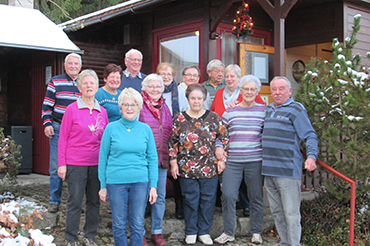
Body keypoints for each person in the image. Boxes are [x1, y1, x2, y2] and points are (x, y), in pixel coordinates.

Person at [169, 84, 229, 245]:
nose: (196, 101)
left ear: (204, 99)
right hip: (186, 168)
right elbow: (173, 143)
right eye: (193, 98)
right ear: (188, 99)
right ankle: (191, 231)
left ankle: (204, 231)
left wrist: (221, 155)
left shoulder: (214, 117)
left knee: (208, 200)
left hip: (209, 167)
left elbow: (224, 138)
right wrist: (173, 163)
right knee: (190, 199)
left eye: (199, 98)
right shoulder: (179, 118)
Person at [262, 76, 318, 246]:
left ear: (290, 91)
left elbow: (310, 135)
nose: (277, 92)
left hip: (287, 171)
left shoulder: (296, 109)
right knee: (277, 212)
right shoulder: (268, 109)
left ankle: (294, 243)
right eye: (274, 89)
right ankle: (285, 242)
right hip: (269, 171)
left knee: (291, 214)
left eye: (281, 89)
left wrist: (311, 156)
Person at [98, 88, 158, 246]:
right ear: (120, 107)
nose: (129, 108)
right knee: (118, 224)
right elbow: (103, 158)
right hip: (116, 181)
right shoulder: (111, 128)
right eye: (126, 104)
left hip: (140, 181)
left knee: (137, 224)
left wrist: (153, 186)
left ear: (139, 107)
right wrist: (103, 185)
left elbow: (152, 158)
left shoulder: (145, 129)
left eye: (133, 104)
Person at [57, 69, 109, 246]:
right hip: (75, 163)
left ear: (97, 86)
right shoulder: (71, 110)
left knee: (94, 202)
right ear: (79, 87)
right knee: (75, 202)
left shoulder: (102, 111)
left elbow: (105, 141)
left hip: (96, 163)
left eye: (92, 83)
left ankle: (90, 236)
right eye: (85, 83)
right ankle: (71, 238)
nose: (89, 86)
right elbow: (62, 138)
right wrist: (62, 164)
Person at [215, 75, 266, 245]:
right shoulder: (231, 111)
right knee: (228, 195)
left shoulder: (264, 110)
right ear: (241, 91)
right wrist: (219, 147)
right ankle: (228, 232)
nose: (249, 92)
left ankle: (256, 232)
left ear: (257, 91)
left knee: (256, 196)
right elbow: (220, 134)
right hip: (233, 161)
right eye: (246, 89)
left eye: (252, 89)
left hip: (255, 160)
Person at [41, 53, 82, 213]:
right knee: (56, 166)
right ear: (65, 65)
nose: (73, 66)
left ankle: (75, 202)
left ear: (80, 66)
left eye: (76, 64)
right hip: (58, 128)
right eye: (70, 63)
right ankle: (54, 201)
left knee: (76, 168)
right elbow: (46, 107)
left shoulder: (84, 83)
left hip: (78, 132)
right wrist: (47, 124)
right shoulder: (55, 82)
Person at [138, 74, 173, 246]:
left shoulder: (165, 108)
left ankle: (156, 232)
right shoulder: (139, 106)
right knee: (141, 197)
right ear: (144, 89)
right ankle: (140, 233)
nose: (155, 90)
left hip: (161, 159)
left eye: (158, 87)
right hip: (143, 161)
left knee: (159, 197)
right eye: (151, 87)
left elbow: (169, 134)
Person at [157, 62, 188, 219]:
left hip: (175, 137)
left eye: (169, 74)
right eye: (163, 73)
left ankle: (180, 207)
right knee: (156, 171)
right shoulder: (154, 90)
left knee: (177, 173)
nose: (166, 76)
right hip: (158, 137)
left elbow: (184, 114)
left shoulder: (180, 93)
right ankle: (151, 207)